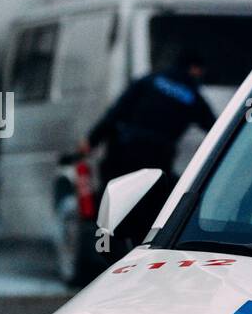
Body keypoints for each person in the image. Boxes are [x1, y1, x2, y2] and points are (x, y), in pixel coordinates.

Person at [79, 45, 216, 236]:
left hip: (125, 152)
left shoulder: (149, 81)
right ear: (194, 69)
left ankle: (104, 240)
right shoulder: (193, 97)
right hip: (158, 158)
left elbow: (115, 114)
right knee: (151, 209)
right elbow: (215, 129)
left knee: (115, 201)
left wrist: (91, 141)